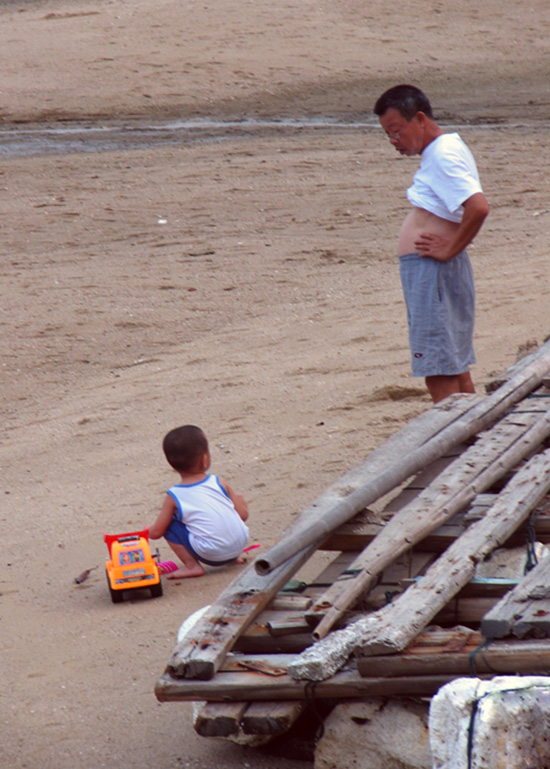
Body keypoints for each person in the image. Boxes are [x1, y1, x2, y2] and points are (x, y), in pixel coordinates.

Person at [374, 84, 490, 404]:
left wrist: (451, 248)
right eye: (387, 134)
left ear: (420, 119)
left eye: (396, 130)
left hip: (432, 269)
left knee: (439, 367)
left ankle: (455, 446)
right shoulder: (445, 149)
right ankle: (474, 440)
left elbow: (478, 206)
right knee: (453, 361)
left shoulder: (443, 154)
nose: (393, 140)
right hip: (437, 267)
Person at [149, 424, 249, 579]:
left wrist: (146, 531)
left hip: (211, 554)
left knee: (170, 525)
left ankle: (192, 566)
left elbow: (156, 533)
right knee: (224, 509)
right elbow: (242, 515)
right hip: (239, 544)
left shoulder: (174, 495)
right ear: (204, 459)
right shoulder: (219, 482)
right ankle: (234, 557)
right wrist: (241, 503)